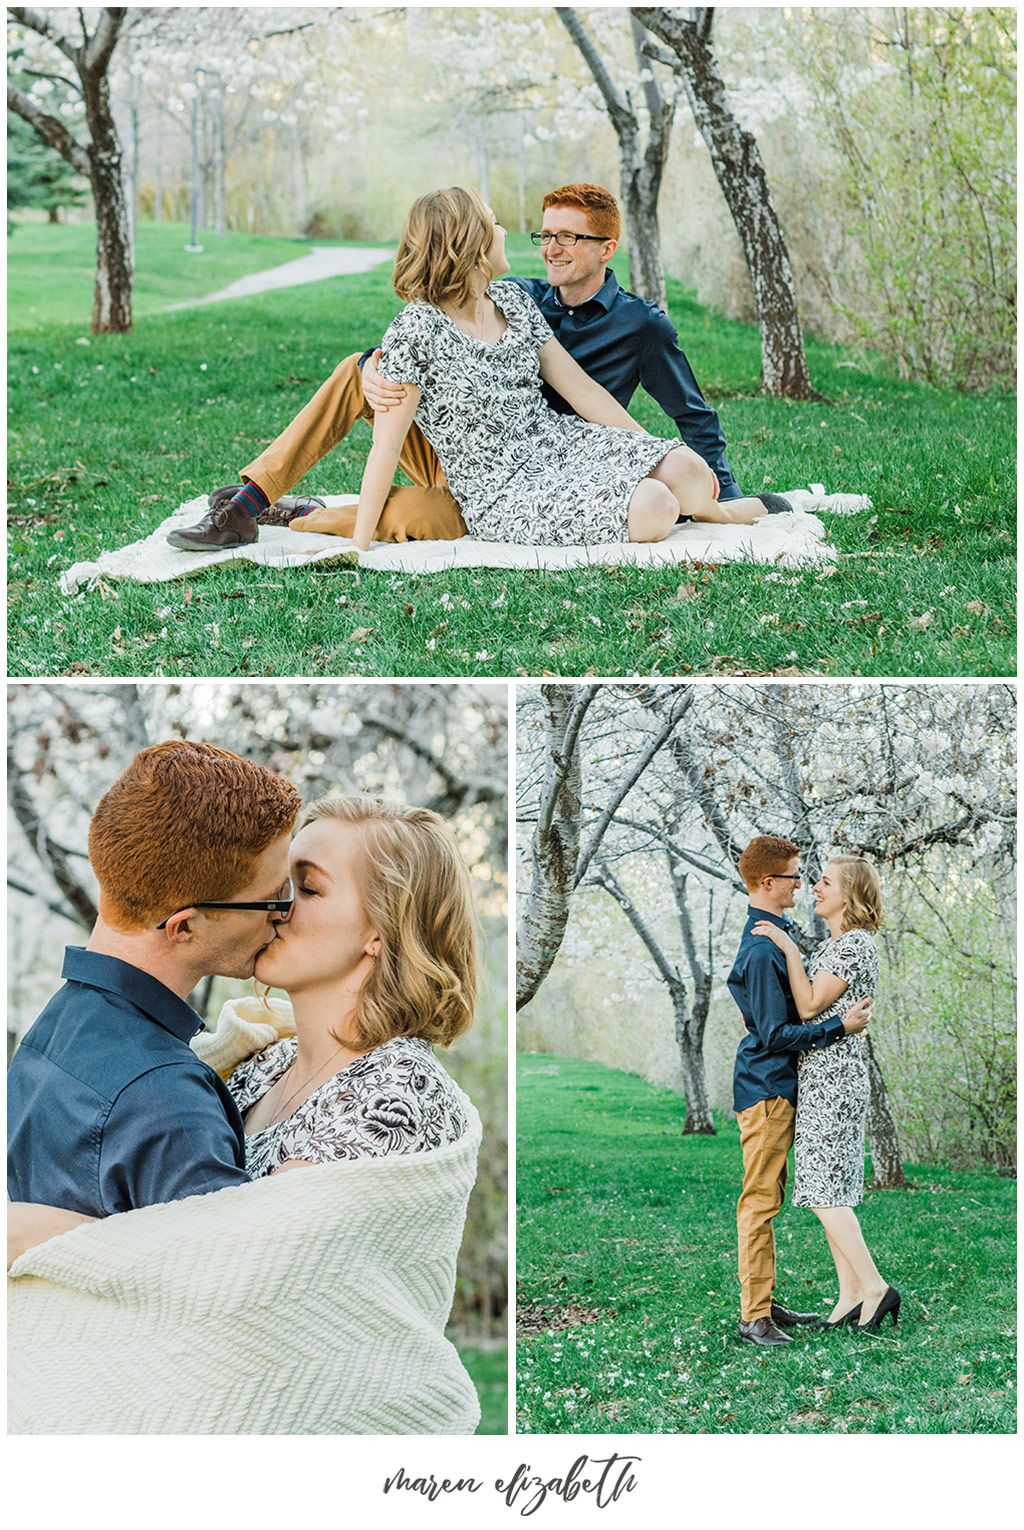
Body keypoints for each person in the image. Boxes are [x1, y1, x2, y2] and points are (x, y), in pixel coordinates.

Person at [169, 182, 773, 551]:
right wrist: (380, 371)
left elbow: (601, 396)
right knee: (361, 375)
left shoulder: (613, 318)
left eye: (568, 239)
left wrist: (653, 460)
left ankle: (302, 510)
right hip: (476, 467)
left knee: (690, 478)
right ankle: (254, 503)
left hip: (561, 454)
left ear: (604, 251)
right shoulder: (484, 305)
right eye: (542, 234)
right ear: (471, 244)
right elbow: (393, 425)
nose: (546, 245)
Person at [8, 792, 477, 1254]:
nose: (275, 905)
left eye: (307, 888)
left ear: (382, 930)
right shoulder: (269, 1060)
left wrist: (39, 1232)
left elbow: (252, 1272)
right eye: (275, 882)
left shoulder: (396, 1091)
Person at [351, 188, 785, 552]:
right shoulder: (416, 329)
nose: (509, 233)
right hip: (502, 489)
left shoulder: (514, 302)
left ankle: (722, 514)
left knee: (688, 470)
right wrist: (360, 546)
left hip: (559, 444)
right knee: (656, 506)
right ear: (470, 244)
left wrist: (647, 453)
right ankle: (700, 511)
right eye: (494, 224)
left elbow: (584, 393)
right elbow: (385, 450)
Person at [6, 740, 300, 1220]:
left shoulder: (52, 1029)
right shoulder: (169, 1106)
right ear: (184, 926)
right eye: (272, 899)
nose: (284, 914)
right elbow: (239, 1282)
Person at [728, 835, 873, 1348]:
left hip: (779, 1087)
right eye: (794, 876)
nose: (802, 883)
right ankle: (753, 1317)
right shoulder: (764, 946)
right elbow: (774, 1035)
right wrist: (839, 1029)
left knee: (771, 1194)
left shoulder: (775, 937)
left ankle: (764, 1303)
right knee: (760, 1201)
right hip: (767, 1089)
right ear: (769, 883)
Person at [752, 856, 899, 1331]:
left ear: (850, 895)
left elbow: (811, 1002)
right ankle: (850, 1295)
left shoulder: (854, 945)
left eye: (826, 882)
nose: (815, 887)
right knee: (827, 1188)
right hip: (822, 1074)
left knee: (821, 1192)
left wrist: (787, 948)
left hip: (834, 1079)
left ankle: (875, 1287)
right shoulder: (839, 944)